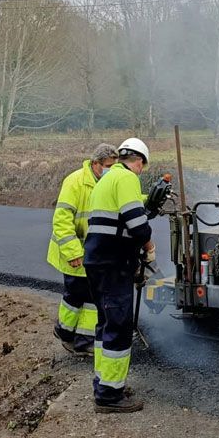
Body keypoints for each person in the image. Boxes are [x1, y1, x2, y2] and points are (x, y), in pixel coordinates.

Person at [83, 137, 155, 413]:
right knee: (119, 326)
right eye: (142, 167)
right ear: (138, 161)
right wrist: (149, 246)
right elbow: (137, 223)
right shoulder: (126, 179)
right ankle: (110, 396)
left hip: (98, 261)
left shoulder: (107, 179)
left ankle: (105, 383)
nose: (140, 171)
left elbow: (117, 217)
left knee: (104, 324)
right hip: (113, 264)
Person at [47, 143, 118, 355]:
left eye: (114, 166)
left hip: (91, 252)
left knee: (87, 296)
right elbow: (62, 220)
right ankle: (69, 334)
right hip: (74, 253)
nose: (110, 170)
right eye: (107, 166)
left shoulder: (107, 182)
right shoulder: (75, 182)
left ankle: (74, 335)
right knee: (76, 295)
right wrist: (73, 252)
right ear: (95, 164)